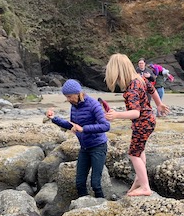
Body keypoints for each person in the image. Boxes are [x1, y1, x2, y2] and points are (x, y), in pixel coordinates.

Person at [104, 53, 169, 197]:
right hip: (149, 119)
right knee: (140, 151)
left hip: (142, 122)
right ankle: (139, 181)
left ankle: (145, 187)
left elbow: (135, 113)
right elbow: (152, 90)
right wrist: (159, 104)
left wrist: (116, 115)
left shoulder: (131, 88)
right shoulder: (140, 79)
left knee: (134, 154)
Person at [46, 79, 110, 199]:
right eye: (66, 97)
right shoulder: (74, 106)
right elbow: (72, 126)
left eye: (70, 96)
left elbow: (106, 126)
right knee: (79, 183)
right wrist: (54, 118)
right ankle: (83, 204)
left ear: (78, 93)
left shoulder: (93, 104)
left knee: (95, 184)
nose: (68, 99)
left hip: (98, 146)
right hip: (84, 148)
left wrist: (84, 129)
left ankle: (103, 204)